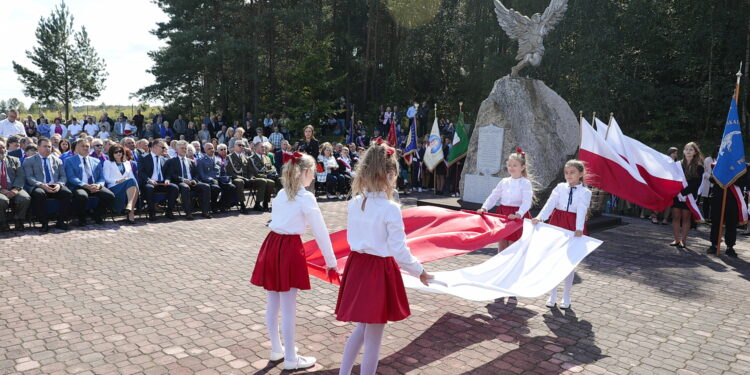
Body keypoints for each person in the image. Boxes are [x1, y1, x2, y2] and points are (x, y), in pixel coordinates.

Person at [336, 142, 432, 375]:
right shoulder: (390, 208)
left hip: (357, 267)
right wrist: (420, 271)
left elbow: (352, 239)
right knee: (374, 339)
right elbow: (399, 250)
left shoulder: (354, 203)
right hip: (378, 272)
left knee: (362, 328)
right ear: (389, 174)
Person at [249, 151, 337, 370]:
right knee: (288, 307)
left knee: (272, 303)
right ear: (305, 172)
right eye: (313, 172)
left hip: (272, 245)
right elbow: (320, 231)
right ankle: (290, 358)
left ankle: (277, 349)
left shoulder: (281, 193)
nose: (315, 176)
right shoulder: (305, 197)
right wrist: (331, 261)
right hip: (288, 249)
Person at [532, 160, 592, 309]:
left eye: (572, 172)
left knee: (569, 263)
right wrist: (541, 217)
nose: (569, 175)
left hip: (573, 225)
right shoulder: (559, 187)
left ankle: (566, 296)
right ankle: (552, 295)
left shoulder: (585, 192)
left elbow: (582, 209)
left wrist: (579, 228)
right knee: (554, 260)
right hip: (557, 222)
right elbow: (550, 203)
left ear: (581, 174)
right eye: (566, 172)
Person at [477, 148, 534, 252]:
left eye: (515, 165)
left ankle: (513, 267)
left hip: (517, 216)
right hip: (503, 214)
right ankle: (501, 265)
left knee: (513, 245)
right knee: (502, 243)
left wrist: (519, 214)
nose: (511, 167)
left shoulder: (525, 183)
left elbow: (527, 202)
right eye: (509, 165)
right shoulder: (504, 181)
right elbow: (494, 196)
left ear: (522, 167)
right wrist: (484, 208)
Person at [22, 138, 72, 232]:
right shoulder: (29, 160)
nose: (48, 148)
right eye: (45, 146)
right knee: (39, 194)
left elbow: (63, 176)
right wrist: (42, 185)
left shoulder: (58, 160)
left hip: (55, 185)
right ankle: (44, 223)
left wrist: (59, 185)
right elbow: (29, 178)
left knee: (67, 193)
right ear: (38, 147)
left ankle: (60, 221)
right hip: (38, 186)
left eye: (49, 146)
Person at [63, 138, 115, 226]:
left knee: (109, 196)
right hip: (78, 186)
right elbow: (71, 177)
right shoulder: (69, 160)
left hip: (94, 186)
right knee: (82, 196)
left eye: (87, 146)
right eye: (82, 146)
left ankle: (97, 214)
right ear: (77, 148)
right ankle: (81, 218)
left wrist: (98, 185)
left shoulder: (96, 161)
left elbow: (101, 178)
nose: (85, 148)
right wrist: (85, 185)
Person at [706, 163, 749, 257]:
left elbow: (745, 182)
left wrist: (731, 178)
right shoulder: (720, 163)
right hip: (717, 197)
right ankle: (714, 244)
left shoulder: (743, 166)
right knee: (716, 222)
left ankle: (730, 247)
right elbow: (711, 179)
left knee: (731, 224)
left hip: (733, 199)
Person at [164, 140, 212, 220]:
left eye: (185, 148)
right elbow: (172, 174)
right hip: (180, 182)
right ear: (177, 149)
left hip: (192, 182)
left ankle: (205, 211)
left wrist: (194, 180)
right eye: (182, 148)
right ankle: (188, 213)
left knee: (206, 186)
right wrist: (183, 180)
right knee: (185, 187)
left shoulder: (191, 161)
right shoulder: (172, 161)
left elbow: (196, 174)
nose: (184, 150)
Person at [670, 142, 704, 248]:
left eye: (691, 150)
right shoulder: (677, 164)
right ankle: (676, 239)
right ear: (683, 151)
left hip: (689, 196)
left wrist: (683, 193)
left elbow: (696, 184)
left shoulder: (699, 167)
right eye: (686, 149)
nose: (688, 151)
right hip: (677, 194)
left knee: (686, 218)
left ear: (695, 152)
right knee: (676, 217)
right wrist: (677, 192)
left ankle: (683, 241)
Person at [137, 139, 179, 221]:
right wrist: (149, 180)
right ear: (154, 147)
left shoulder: (163, 159)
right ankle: (151, 213)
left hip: (162, 183)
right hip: (149, 183)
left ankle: (169, 211)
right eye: (162, 147)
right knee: (149, 188)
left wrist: (167, 179)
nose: (164, 149)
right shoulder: (143, 157)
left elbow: (168, 173)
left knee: (174, 187)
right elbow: (141, 172)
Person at [226, 141, 272, 211]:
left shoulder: (246, 158)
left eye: (243, 146)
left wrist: (251, 177)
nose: (242, 147)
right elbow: (229, 172)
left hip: (247, 179)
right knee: (239, 181)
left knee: (262, 181)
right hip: (235, 179)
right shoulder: (229, 157)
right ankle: (242, 205)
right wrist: (242, 178)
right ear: (234, 146)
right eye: (239, 145)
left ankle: (257, 204)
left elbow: (250, 171)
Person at [102, 145, 138, 224]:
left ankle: (129, 209)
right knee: (131, 181)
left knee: (132, 182)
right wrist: (117, 181)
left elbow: (132, 177)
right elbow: (106, 179)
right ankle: (131, 211)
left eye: (120, 151)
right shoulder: (107, 163)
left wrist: (137, 188)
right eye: (116, 152)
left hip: (128, 187)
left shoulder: (127, 163)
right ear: (112, 153)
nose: (118, 153)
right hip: (114, 187)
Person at [0, 140, 31, 231]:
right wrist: (1, 190)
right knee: (2, 200)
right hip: (1, 189)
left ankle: (19, 220)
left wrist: (16, 189)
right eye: (0, 148)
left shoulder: (14, 160)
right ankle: (2, 223)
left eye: (3, 147)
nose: (2, 150)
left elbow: (20, 176)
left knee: (25, 198)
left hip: (14, 187)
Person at [197, 142, 237, 212]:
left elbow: (222, 172)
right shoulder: (201, 161)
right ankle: (213, 205)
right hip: (209, 181)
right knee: (216, 188)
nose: (211, 150)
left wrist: (226, 178)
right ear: (205, 150)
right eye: (209, 149)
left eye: (212, 148)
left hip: (219, 180)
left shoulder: (218, 159)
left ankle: (221, 204)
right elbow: (202, 175)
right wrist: (211, 179)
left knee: (231, 187)